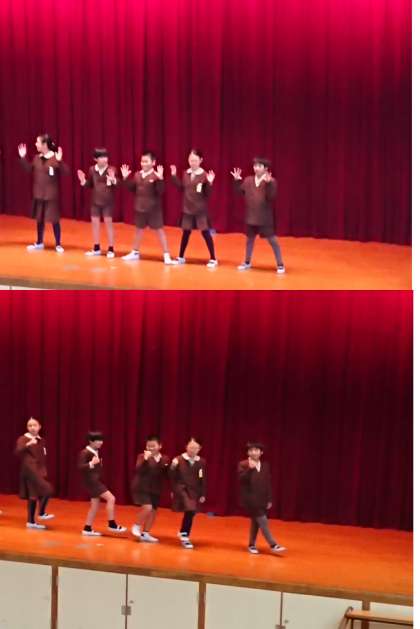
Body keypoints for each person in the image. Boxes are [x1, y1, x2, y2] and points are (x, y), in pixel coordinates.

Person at [231, 157, 285, 274]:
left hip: (265, 218)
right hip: (251, 216)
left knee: (273, 241)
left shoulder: (271, 181)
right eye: (255, 166)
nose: (256, 168)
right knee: (249, 240)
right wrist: (236, 180)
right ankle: (247, 262)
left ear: (265, 168)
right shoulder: (248, 180)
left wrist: (269, 184)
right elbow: (239, 192)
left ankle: (280, 264)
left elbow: (271, 197)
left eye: (259, 166)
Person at [120, 151, 174, 264]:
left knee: (160, 231)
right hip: (140, 208)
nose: (143, 163)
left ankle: (166, 255)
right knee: (138, 230)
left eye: (146, 161)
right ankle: (135, 252)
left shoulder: (156, 176)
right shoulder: (137, 175)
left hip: (153, 210)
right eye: (142, 161)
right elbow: (132, 189)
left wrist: (160, 179)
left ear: (153, 163)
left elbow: (160, 191)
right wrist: (125, 178)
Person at [18, 134, 69, 253]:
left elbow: (66, 172)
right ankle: (39, 242)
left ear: (45, 144)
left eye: (38, 142)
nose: (35, 144)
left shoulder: (54, 158)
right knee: (39, 219)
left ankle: (58, 244)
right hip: (39, 194)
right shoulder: (36, 158)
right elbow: (29, 169)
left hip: (51, 195)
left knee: (54, 220)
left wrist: (60, 161)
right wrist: (23, 158)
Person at [170, 149, 217, 267]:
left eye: (195, 160)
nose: (193, 163)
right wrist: (174, 176)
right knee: (186, 233)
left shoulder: (204, 175)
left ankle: (213, 259)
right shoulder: (186, 173)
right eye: (191, 160)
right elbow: (182, 187)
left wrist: (210, 183)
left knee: (205, 233)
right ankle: (181, 257)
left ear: (201, 160)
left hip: (200, 210)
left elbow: (207, 194)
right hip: (187, 209)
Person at [238, 442, 286, 554]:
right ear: (248, 452)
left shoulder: (265, 465)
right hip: (250, 499)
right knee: (263, 520)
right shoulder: (243, 464)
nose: (253, 452)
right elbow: (241, 480)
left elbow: (267, 483)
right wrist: (250, 469)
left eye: (256, 450)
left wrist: (269, 499)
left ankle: (251, 545)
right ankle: (273, 544)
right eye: (251, 450)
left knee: (256, 522)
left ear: (261, 452)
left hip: (261, 499)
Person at [78, 431, 127, 536]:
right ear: (91, 441)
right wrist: (91, 463)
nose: (101, 442)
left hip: (95, 481)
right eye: (98, 440)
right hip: (92, 482)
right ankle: (112, 524)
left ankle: (87, 528)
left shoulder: (95, 451)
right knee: (111, 498)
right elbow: (80, 467)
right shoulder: (85, 452)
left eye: (101, 440)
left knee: (95, 506)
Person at [77, 147, 118, 258]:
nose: (105, 159)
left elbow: (116, 184)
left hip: (107, 202)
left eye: (106, 157)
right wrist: (83, 181)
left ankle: (111, 249)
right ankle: (96, 248)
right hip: (95, 201)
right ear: (95, 159)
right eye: (102, 157)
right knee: (95, 225)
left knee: (108, 224)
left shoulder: (111, 169)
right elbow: (90, 184)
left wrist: (113, 180)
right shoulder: (92, 170)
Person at [15, 417, 54, 529]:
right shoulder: (23, 439)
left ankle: (31, 522)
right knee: (48, 489)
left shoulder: (41, 440)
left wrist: (43, 470)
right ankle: (41, 513)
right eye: (29, 425)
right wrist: (28, 444)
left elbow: (43, 456)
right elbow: (17, 451)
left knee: (33, 495)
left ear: (39, 427)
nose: (32, 427)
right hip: (29, 470)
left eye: (34, 425)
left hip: (38, 470)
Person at [131, 435, 170, 542]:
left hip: (155, 488)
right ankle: (136, 525)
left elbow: (168, 474)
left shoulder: (165, 459)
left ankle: (146, 534)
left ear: (160, 446)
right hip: (141, 487)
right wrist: (145, 459)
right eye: (148, 446)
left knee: (153, 511)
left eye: (153, 446)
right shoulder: (142, 456)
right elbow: (138, 469)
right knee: (147, 507)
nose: (150, 448)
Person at [169, 437, 206, 549]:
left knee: (191, 512)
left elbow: (202, 478)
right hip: (181, 489)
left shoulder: (201, 462)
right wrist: (172, 467)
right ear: (186, 447)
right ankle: (185, 535)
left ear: (199, 449)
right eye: (191, 447)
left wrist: (202, 493)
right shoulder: (178, 460)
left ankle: (183, 533)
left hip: (194, 491)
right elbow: (171, 475)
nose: (193, 450)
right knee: (191, 509)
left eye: (195, 448)